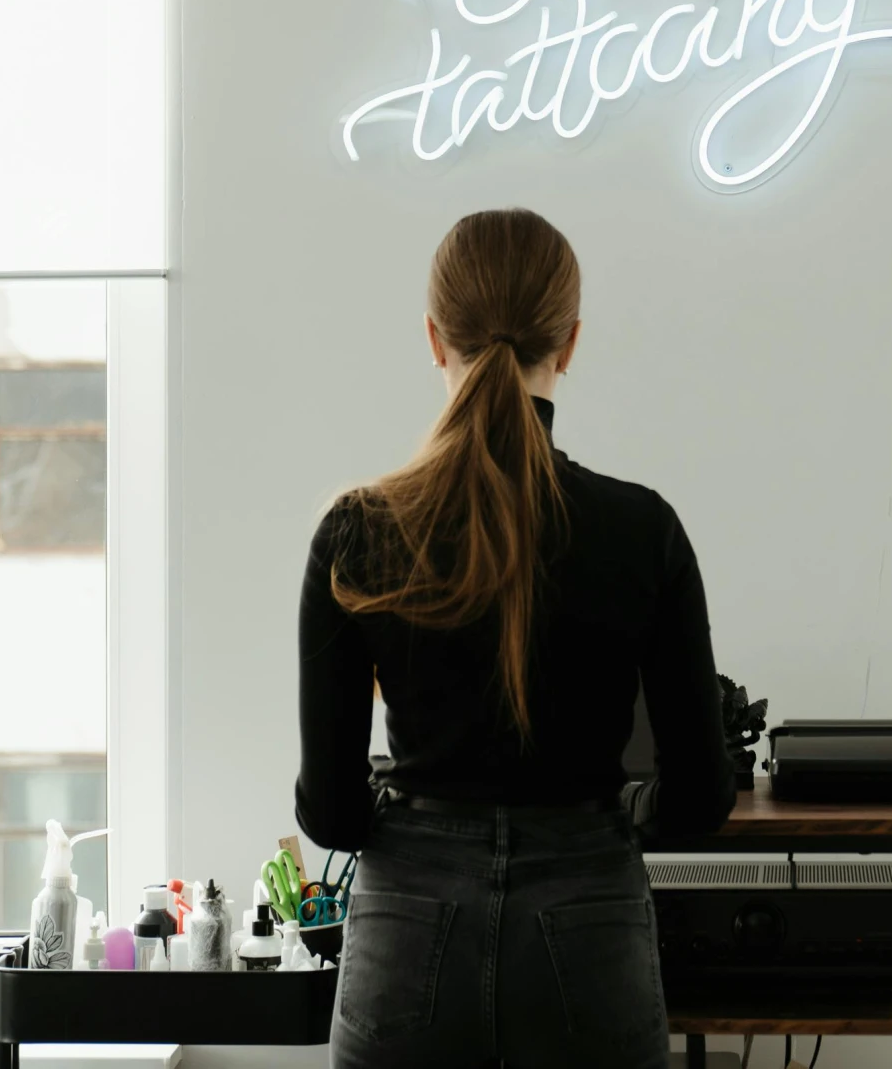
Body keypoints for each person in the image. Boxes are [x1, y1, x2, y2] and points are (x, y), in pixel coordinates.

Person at [297, 207, 736, 1069]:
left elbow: (335, 813)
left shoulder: (356, 532)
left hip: (408, 927)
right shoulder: (643, 529)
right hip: (589, 917)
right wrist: (619, 812)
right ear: (568, 342)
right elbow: (698, 797)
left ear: (434, 338)